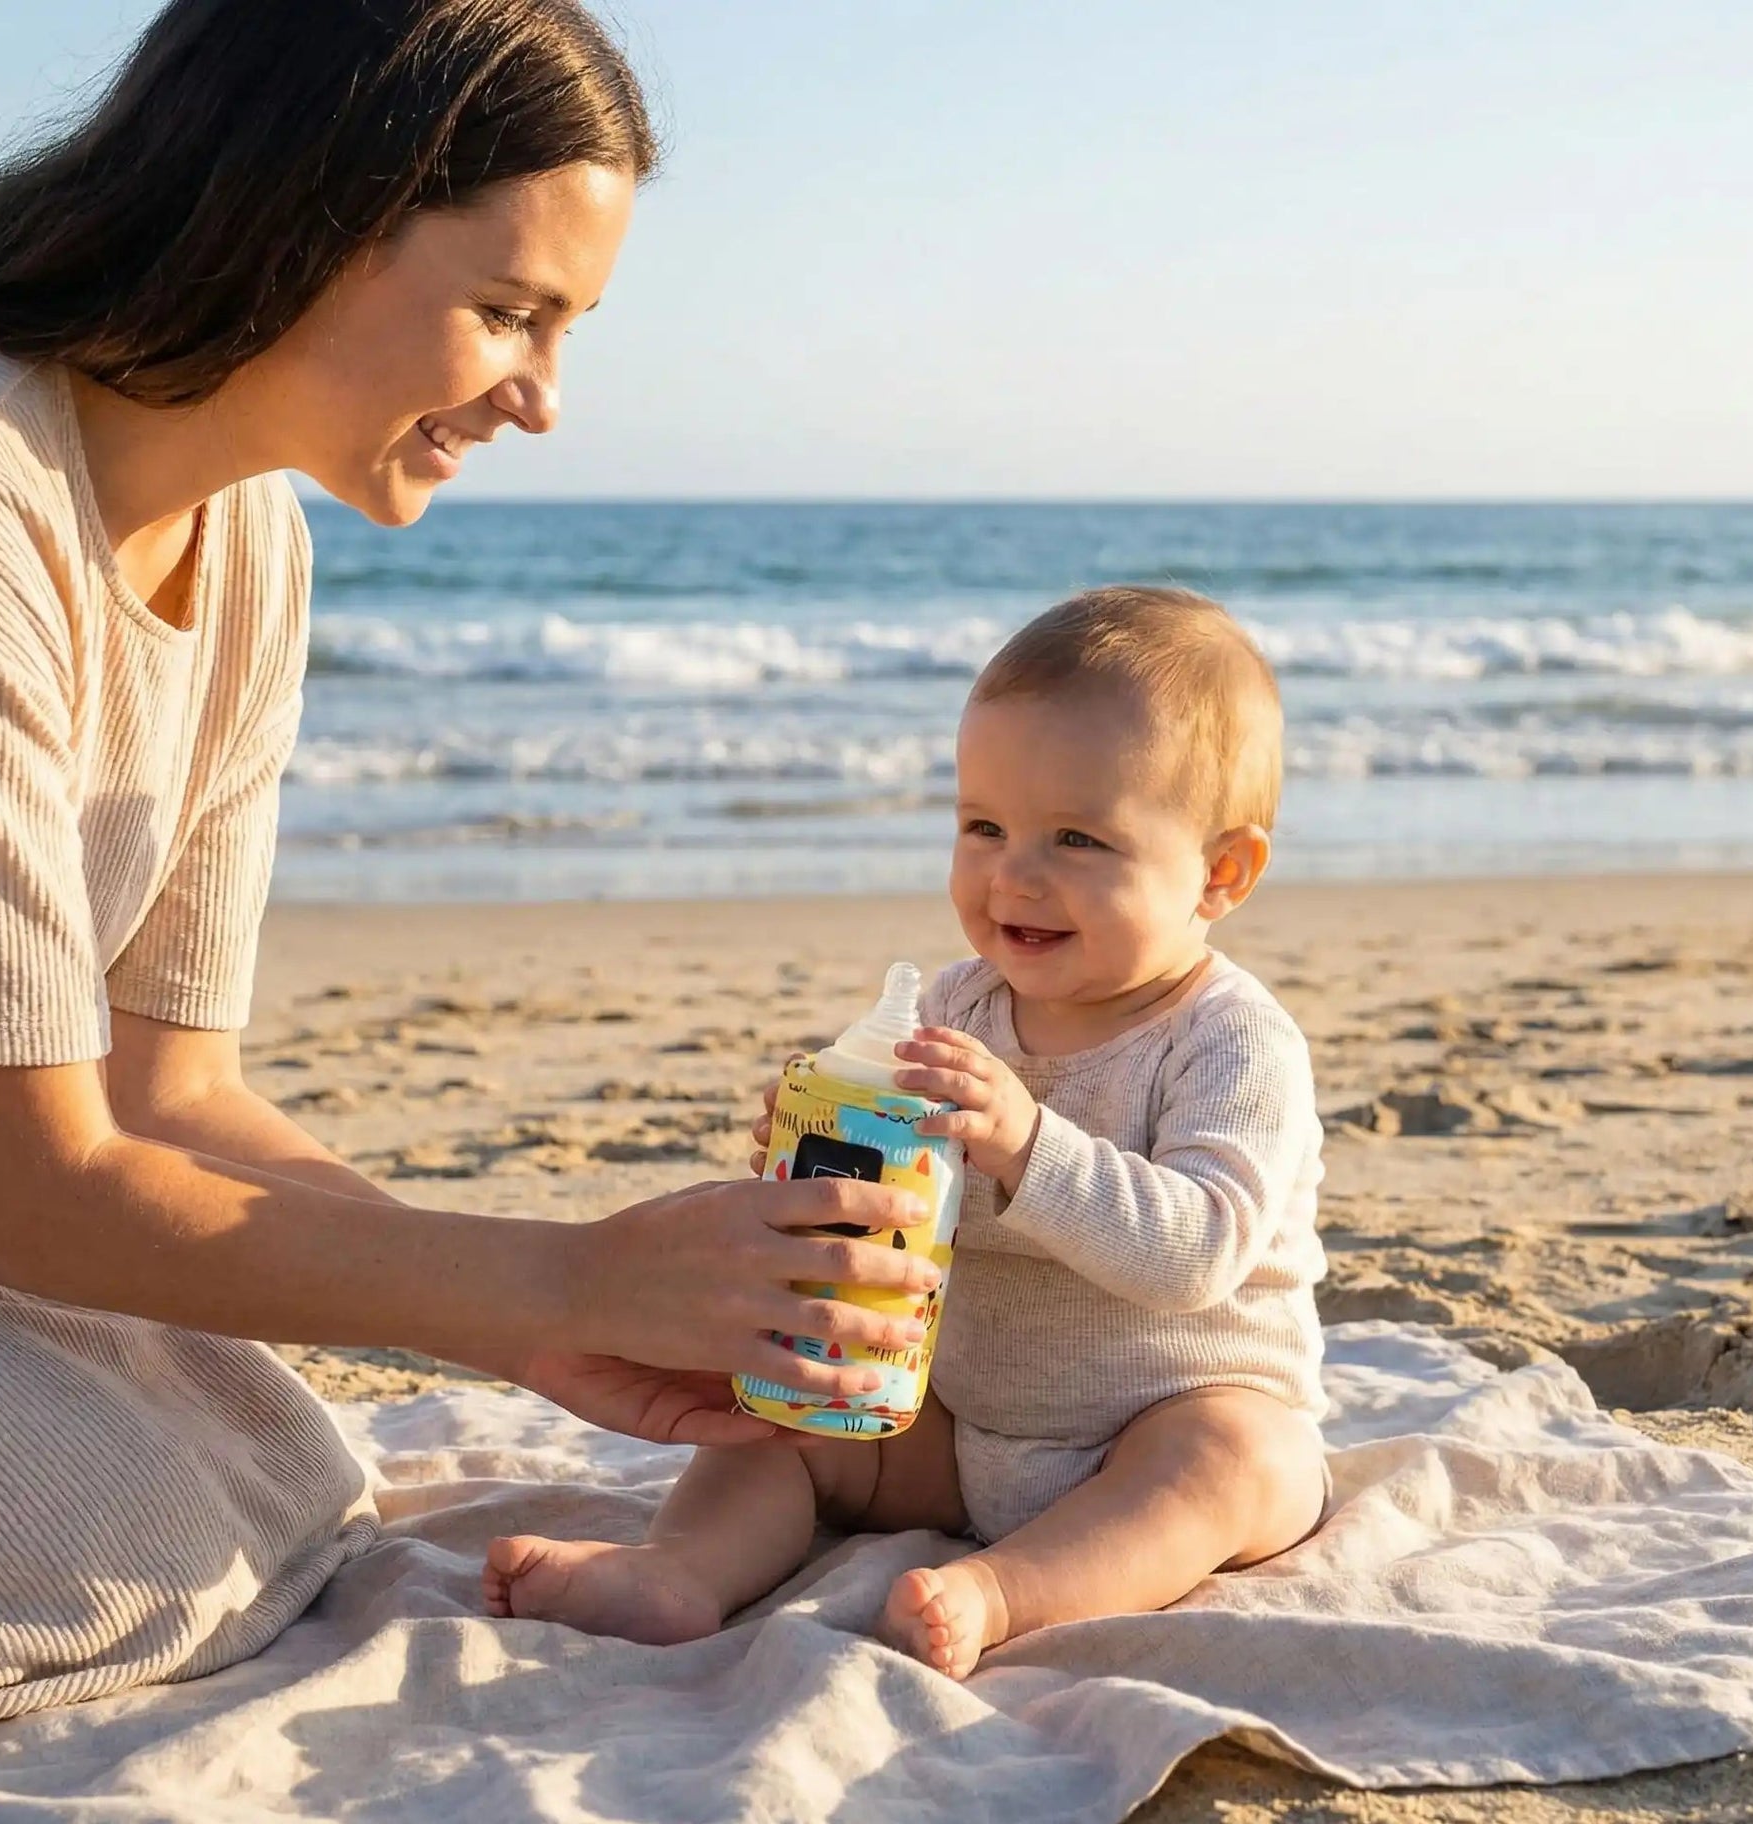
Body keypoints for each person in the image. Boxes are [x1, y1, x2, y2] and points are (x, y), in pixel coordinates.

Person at [0, 0, 939, 1737]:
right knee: (135, 1539)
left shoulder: (248, 545)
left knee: (280, 1467)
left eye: (567, 331)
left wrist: (541, 1321)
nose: (543, 400)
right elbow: (35, 1188)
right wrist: (557, 1278)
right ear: (293, 213)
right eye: (508, 313)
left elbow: (169, 1097)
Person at [484, 586, 1333, 1679]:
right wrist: (828, 1167)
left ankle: (999, 1589)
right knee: (791, 1412)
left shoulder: (1231, 1042)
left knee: (1232, 1456)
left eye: (1077, 837)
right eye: (982, 826)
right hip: (962, 1428)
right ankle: (679, 1569)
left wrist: (1031, 1142)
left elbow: (1197, 1253)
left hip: (1162, 1416)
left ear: (1221, 872)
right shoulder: (955, 1005)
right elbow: (909, 1225)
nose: (1010, 872)